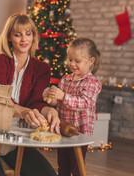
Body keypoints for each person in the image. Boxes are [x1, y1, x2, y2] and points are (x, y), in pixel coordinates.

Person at [0, 13, 60, 176]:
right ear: (9, 37)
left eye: (28, 34)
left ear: (34, 37)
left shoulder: (42, 68)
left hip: (17, 139)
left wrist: (50, 111)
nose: (23, 39)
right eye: (17, 34)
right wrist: (25, 112)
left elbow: (37, 102)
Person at [43, 37, 102, 176]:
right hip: (63, 130)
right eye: (70, 60)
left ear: (90, 61)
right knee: (63, 166)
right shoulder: (65, 80)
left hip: (80, 134)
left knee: (77, 168)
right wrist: (49, 96)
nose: (72, 64)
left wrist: (63, 96)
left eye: (77, 61)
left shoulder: (92, 83)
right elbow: (57, 103)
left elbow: (84, 103)